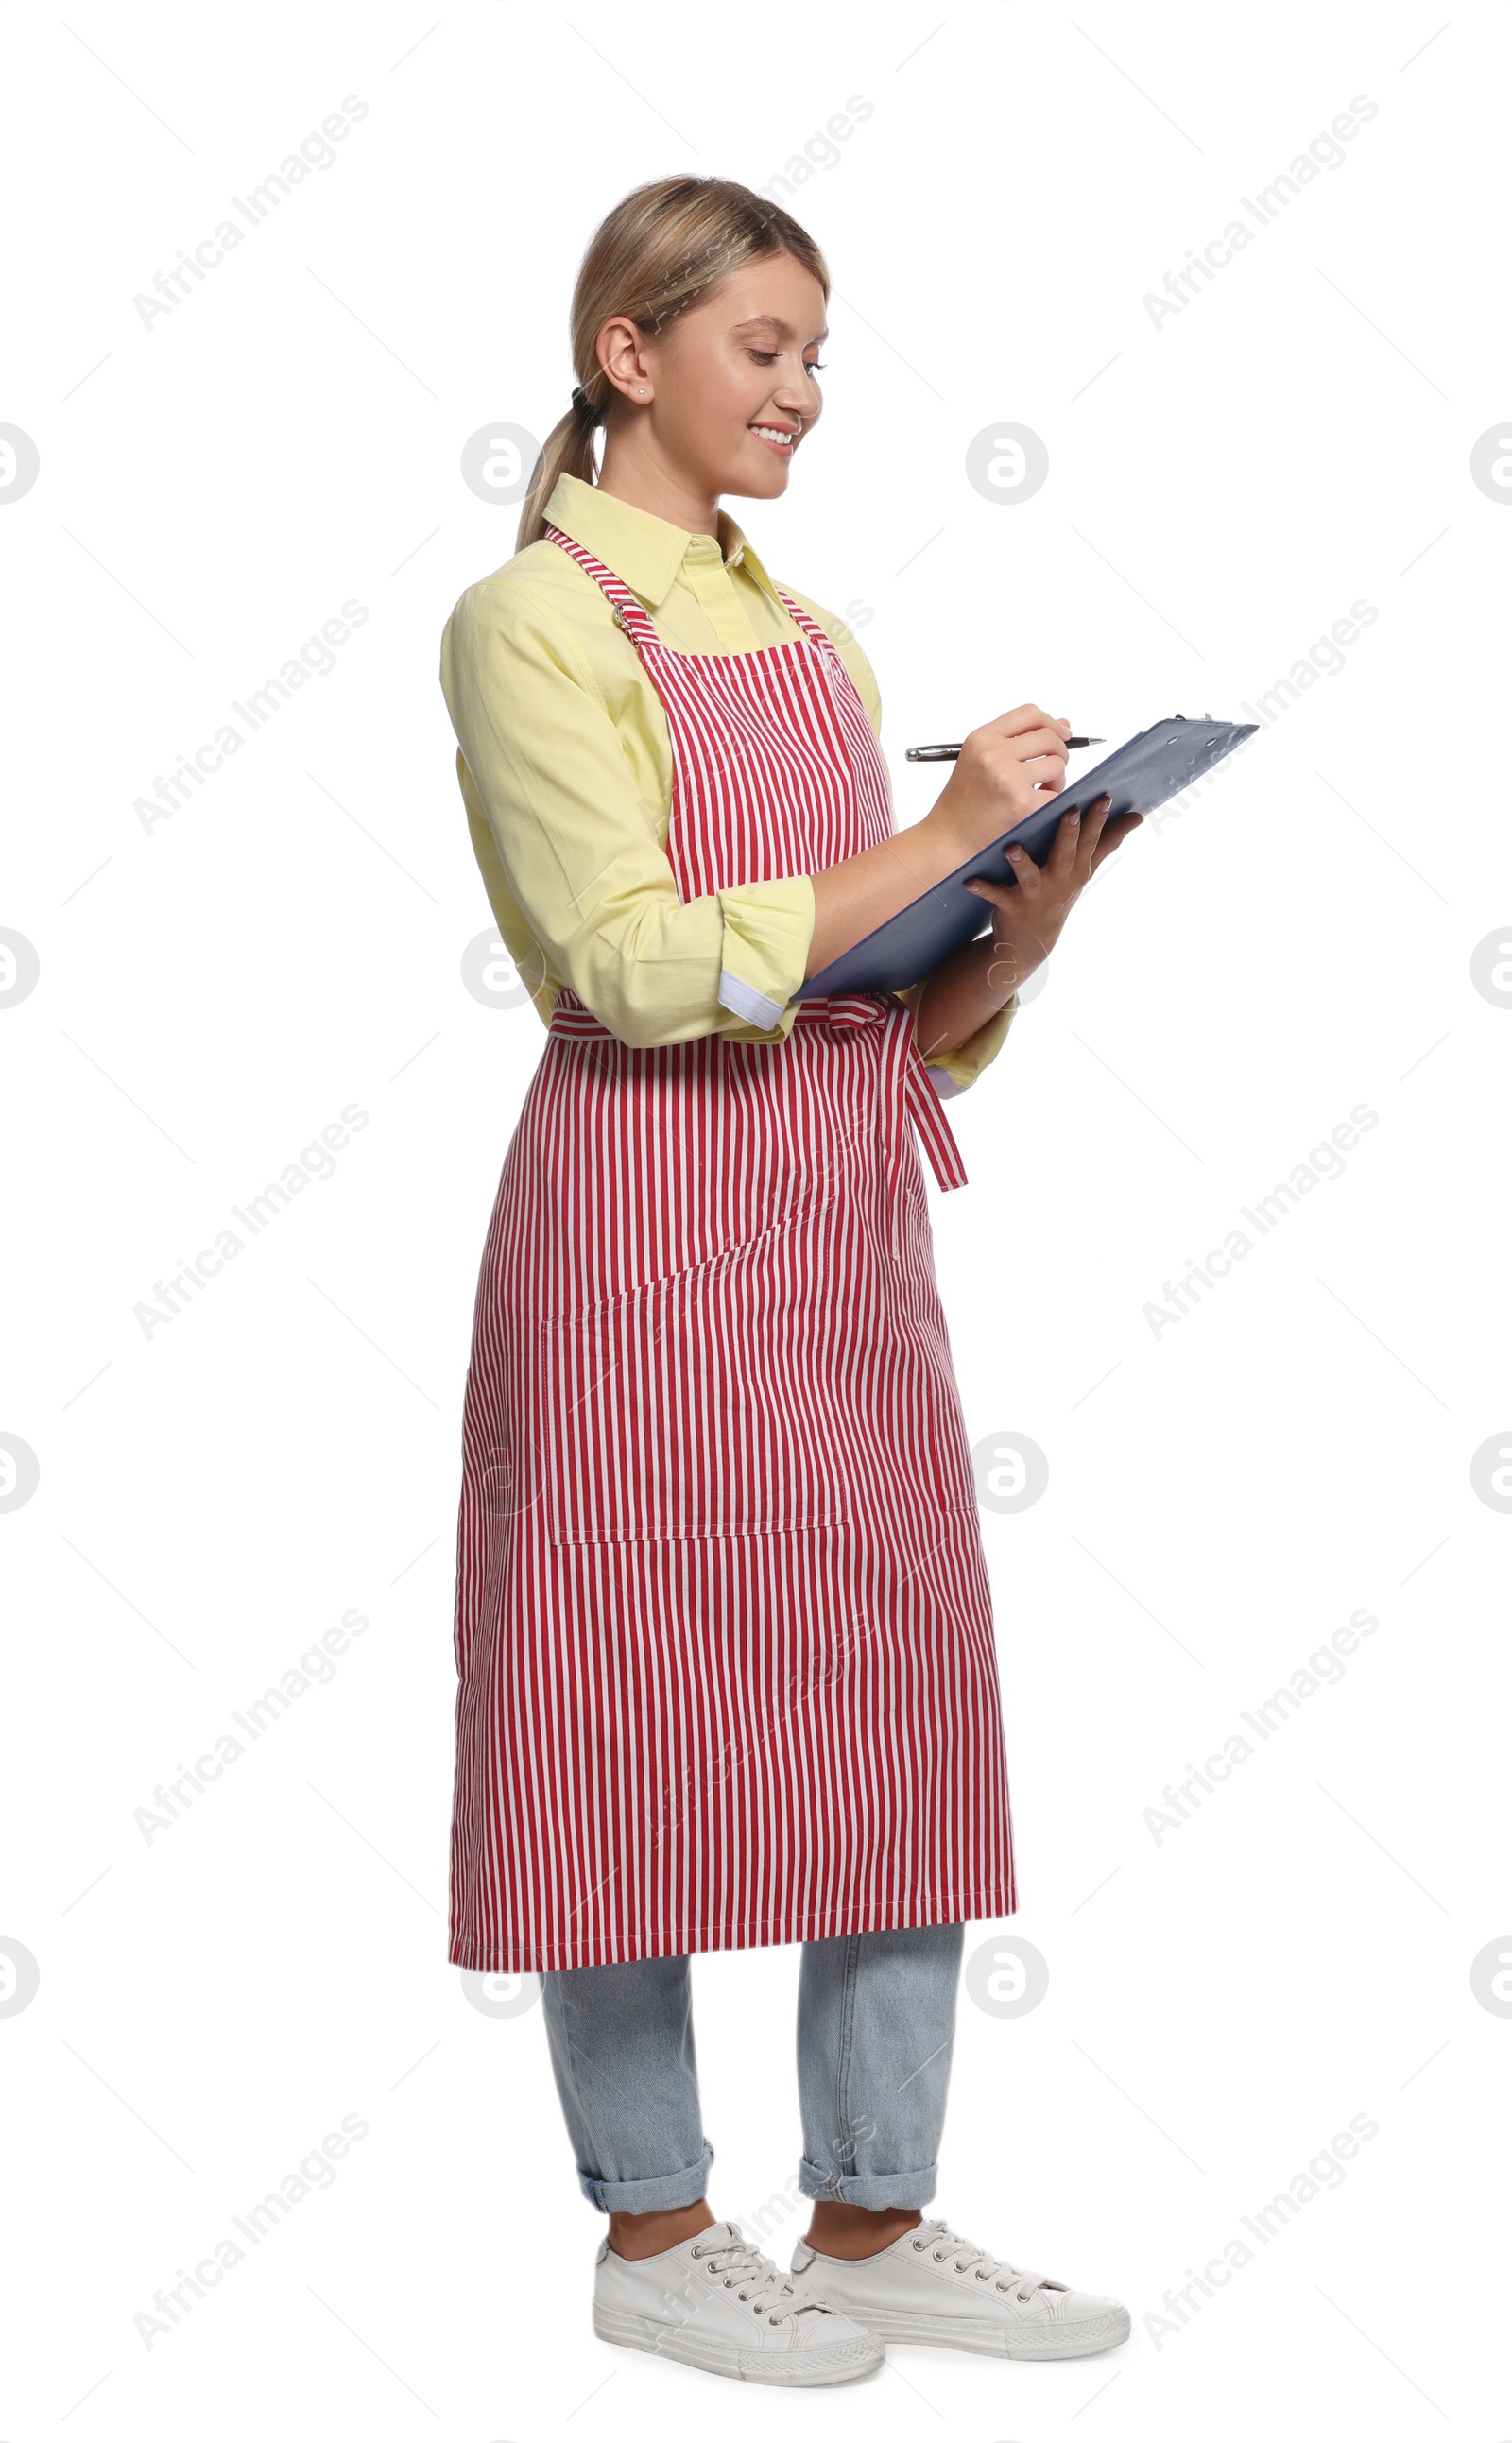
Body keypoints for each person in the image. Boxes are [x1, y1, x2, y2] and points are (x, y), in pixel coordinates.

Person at [439, 174, 1141, 2387]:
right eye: (762, 349)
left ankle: (868, 2211)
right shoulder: (528, 625)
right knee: (617, 1701)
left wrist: (1002, 935)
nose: (803, 396)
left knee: (896, 1694)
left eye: (817, 356)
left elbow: (869, 997)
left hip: (839, 1226)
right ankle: (654, 2235)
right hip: (639, 1228)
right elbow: (635, 970)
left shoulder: (816, 638)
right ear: (628, 355)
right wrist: (932, 843)